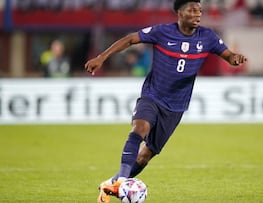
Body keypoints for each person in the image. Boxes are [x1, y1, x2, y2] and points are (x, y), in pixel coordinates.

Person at [84, 0, 247, 202]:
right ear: (179, 12)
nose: (198, 14)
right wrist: (101, 57)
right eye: (192, 10)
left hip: (176, 106)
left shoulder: (208, 37)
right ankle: (122, 182)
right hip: (153, 95)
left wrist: (235, 58)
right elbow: (129, 40)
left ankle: (110, 185)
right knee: (139, 128)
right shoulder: (162, 32)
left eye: (200, 11)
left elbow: (228, 55)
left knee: (145, 156)